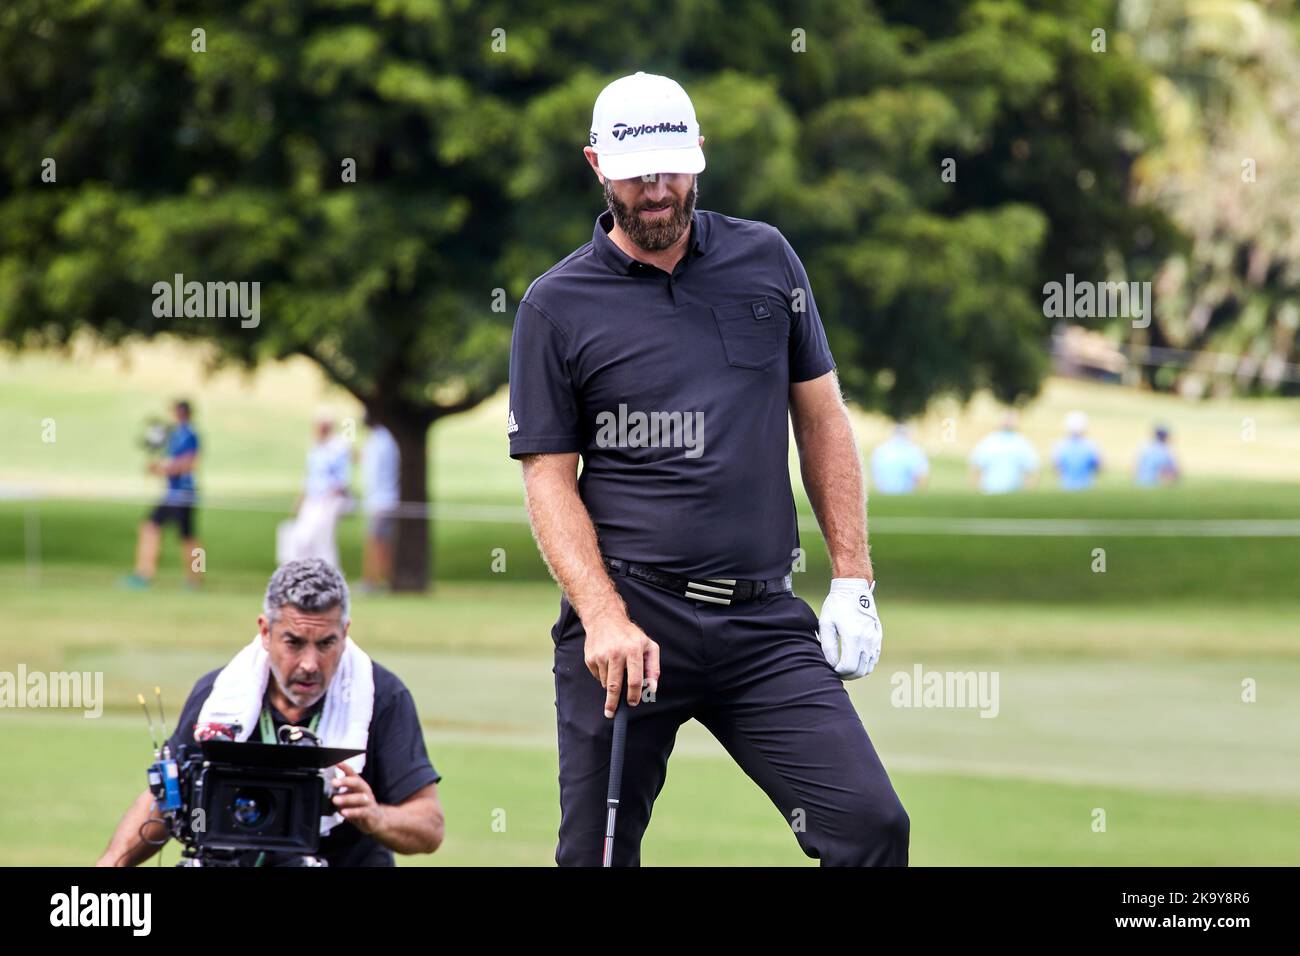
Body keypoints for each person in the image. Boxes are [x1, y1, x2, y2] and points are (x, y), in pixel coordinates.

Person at [507, 72, 908, 867]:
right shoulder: (555, 306)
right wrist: (604, 617)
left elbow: (822, 419)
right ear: (596, 164)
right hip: (630, 622)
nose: (656, 191)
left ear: (698, 157)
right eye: (637, 174)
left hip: (762, 624)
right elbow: (547, 476)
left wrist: (854, 580)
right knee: (595, 857)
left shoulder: (768, 259)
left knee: (871, 828)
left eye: (671, 169)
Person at [96, 559, 444, 867]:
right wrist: (113, 863)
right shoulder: (217, 696)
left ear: (345, 632)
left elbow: (430, 825)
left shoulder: (383, 697)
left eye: (326, 643)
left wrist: (375, 817)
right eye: (294, 642)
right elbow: (168, 795)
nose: (310, 664)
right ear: (265, 631)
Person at [123, 399, 202, 588]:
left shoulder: (189, 434)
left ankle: (195, 578)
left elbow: (189, 463)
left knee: (188, 538)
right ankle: (145, 573)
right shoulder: (175, 434)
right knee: (152, 528)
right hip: (173, 494)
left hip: (183, 494)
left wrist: (163, 469)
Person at [281, 414, 352, 567]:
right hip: (313, 500)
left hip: (328, 500)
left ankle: (329, 574)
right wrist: (299, 502)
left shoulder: (338, 449)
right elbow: (309, 478)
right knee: (302, 538)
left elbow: (342, 478)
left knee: (323, 541)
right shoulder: (315, 449)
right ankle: (304, 571)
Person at [360, 412, 401, 591]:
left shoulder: (382, 440)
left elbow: (376, 472)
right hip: (380, 500)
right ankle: (381, 580)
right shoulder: (378, 439)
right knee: (380, 541)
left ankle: (375, 581)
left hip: (383, 500)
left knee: (377, 542)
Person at [969, 411, 1039, 494]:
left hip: (1014, 492)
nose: (1008, 423)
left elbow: (1031, 469)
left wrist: (1027, 490)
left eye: (1010, 420)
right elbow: (976, 467)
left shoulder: (1022, 442)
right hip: (990, 491)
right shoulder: (989, 441)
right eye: (1006, 420)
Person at [870, 424, 930, 494]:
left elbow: (875, 473)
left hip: (883, 491)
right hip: (906, 492)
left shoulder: (880, 449)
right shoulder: (914, 450)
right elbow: (920, 477)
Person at [1051, 411, 1102, 491]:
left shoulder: (1060, 445)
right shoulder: (1091, 445)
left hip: (1067, 487)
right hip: (1086, 486)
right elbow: (1098, 467)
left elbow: (1056, 468)